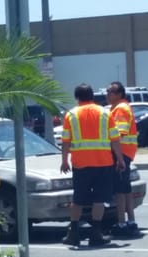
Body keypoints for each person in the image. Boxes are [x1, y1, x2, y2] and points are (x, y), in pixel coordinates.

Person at [60, 83, 126, 246]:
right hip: (103, 163)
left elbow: (66, 141)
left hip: (80, 164)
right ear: (92, 96)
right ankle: (96, 233)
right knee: (99, 200)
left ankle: (73, 233)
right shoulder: (105, 113)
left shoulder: (71, 115)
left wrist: (64, 161)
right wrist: (120, 159)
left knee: (78, 199)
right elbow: (115, 139)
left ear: (77, 98)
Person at [106, 81, 140, 237]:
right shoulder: (121, 107)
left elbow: (120, 133)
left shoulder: (120, 109)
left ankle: (121, 224)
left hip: (121, 153)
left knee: (120, 190)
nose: (108, 94)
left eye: (110, 91)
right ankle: (131, 222)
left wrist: (117, 156)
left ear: (119, 94)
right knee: (125, 189)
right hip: (126, 153)